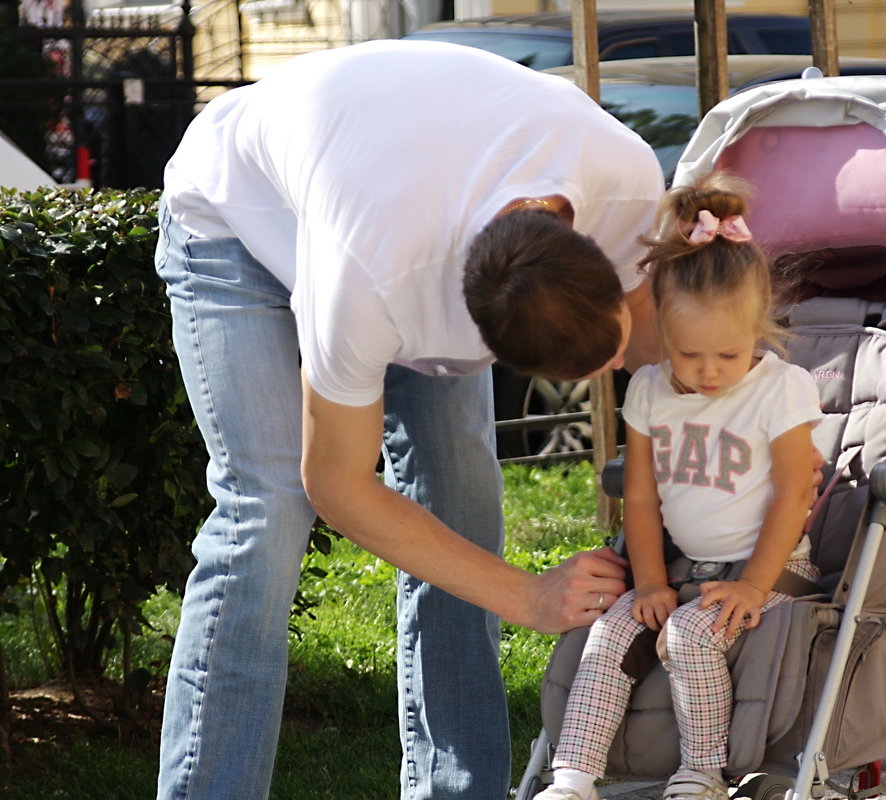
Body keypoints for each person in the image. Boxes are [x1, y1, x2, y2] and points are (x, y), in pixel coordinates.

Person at [152, 40, 667, 800]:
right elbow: (337, 484)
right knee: (266, 513)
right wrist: (524, 595)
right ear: (477, 334)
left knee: (461, 507)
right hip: (236, 219)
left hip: (384, 173)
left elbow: (667, 359)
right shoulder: (369, 283)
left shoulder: (623, 183)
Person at [534, 173, 824, 800]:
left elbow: (791, 495)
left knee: (691, 634)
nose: (710, 371)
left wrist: (754, 583)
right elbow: (639, 499)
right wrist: (648, 582)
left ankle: (702, 770)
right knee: (609, 632)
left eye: (728, 353)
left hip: (772, 570)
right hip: (677, 564)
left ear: (760, 327)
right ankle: (573, 776)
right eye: (690, 354)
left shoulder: (781, 390)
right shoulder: (649, 391)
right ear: (662, 332)